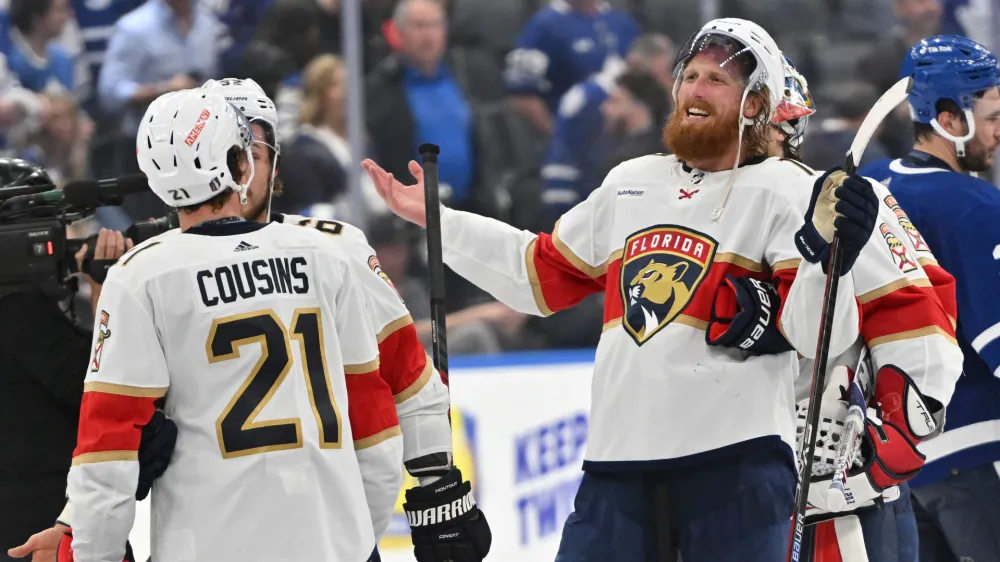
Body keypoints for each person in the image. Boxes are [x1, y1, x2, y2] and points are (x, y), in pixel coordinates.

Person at [364, 17, 881, 561]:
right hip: (618, 466)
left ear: (755, 104)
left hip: (737, 465)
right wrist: (437, 218)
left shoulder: (788, 188)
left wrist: (830, 255)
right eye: (691, 75)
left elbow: (816, 333)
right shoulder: (633, 181)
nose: (695, 89)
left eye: (716, 80)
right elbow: (535, 275)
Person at [64, 89, 403, 562]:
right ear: (242, 165)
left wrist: (89, 549)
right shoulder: (324, 255)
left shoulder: (141, 275)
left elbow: (106, 458)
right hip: (333, 544)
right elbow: (377, 431)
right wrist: (353, 538)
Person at [768, 55, 962, 562]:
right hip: (730, 498)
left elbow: (923, 317)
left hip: (836, 507)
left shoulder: (849, 198)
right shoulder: (694, 212)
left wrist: (896, 431)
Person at [859, 34, 1000, 562]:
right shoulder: (976, 208)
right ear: (948, 117)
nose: (999, 132)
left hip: (894, 471)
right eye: (991, 116)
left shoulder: (867, 187)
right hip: (979, 457)